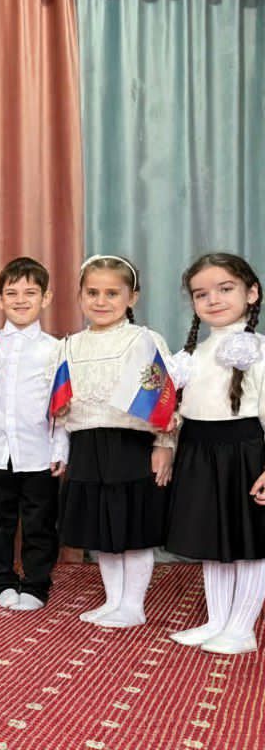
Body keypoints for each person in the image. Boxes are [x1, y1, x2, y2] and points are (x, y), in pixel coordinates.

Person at [56, 255, 174, 629]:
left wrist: (164, 445)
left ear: (132, 297)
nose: (101, 301)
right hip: (86, 443)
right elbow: (59, 399)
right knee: (101, 527)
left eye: (112, 293)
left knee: (132, 526)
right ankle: (113, 601)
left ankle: (133, 605)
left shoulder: (144, 340)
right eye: (92, 292)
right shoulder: (69, 345)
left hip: (130, 445)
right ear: (80, 296)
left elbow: (166, 397)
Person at [164, 253, 265, 654]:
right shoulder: (191, 354)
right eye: (201, 294)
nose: (213, 300)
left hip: (245, 452)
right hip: (199, 450)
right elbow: (183, 407)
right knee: (214, 538)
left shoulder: (259, 350)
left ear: (251, 293)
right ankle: (217, 620)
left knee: (251, 542)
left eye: (225, 289)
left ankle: (242, 628)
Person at [0, 257, 67, 611]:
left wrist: (61, 448)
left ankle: (36, 584)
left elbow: (62, 407)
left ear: (46, 298)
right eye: (12, 293)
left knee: (40, 523)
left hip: (38, 452)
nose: (21, 300)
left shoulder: (56, 349)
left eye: (30, 292)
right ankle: (3, 581)